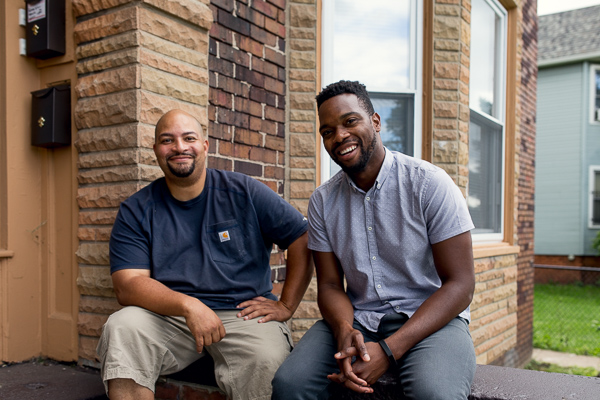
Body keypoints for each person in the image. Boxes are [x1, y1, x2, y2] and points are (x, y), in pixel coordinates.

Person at [272, 81, 476, 400]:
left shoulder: (430, 184)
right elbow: (328, 285)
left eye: (350, 121)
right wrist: (343, 329)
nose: (339, 136)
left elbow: (461, 285)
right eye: (328, 131)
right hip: (359, 317)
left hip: (430, 318)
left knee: (434, 393)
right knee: (290, 384)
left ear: (375, 122)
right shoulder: (323, 201)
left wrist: (388, 351)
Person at [97, 109, 312, 400]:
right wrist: (189, 306)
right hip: (170, 316)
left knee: (266, 358)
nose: (180, 147)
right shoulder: (137, 209)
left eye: (189, 138)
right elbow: (127, 284)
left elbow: (301, 236)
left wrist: (287, 304)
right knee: (123, 327)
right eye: (167, 140)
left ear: (205, 145)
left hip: (243, 313)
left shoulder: (243, 191)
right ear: (156, 150)